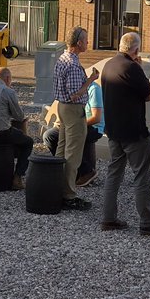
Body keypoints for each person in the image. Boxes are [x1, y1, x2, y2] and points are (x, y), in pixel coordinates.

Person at [99, 31, 150, 234]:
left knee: (114, 173)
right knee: (141, 176)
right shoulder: (132, 67)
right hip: (134, 132)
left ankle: (108, 218)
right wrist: (140, 68)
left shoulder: (109, 64)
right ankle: (148, 223)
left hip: (113, 130)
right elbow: (149, 95)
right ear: (136, 50)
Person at [53, 26, 99, 210]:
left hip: (63, 108)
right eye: (86, 40)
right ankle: (68, 195)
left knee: (61, 150)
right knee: (73, 154)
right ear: (79, 43)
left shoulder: (62, 59)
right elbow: (74, 94)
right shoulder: (72, 64)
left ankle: (55, 188)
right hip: (73, 110)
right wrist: (91, 79)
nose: (88, 43)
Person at [43, 79, 104, 187]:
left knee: (68, 138)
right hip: (75, 123)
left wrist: (74, 123)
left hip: (92, 126)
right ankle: (65, 167)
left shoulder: (93, 89)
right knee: (49, 136)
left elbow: (96, 117)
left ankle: (86, 171)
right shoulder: (74, 89)